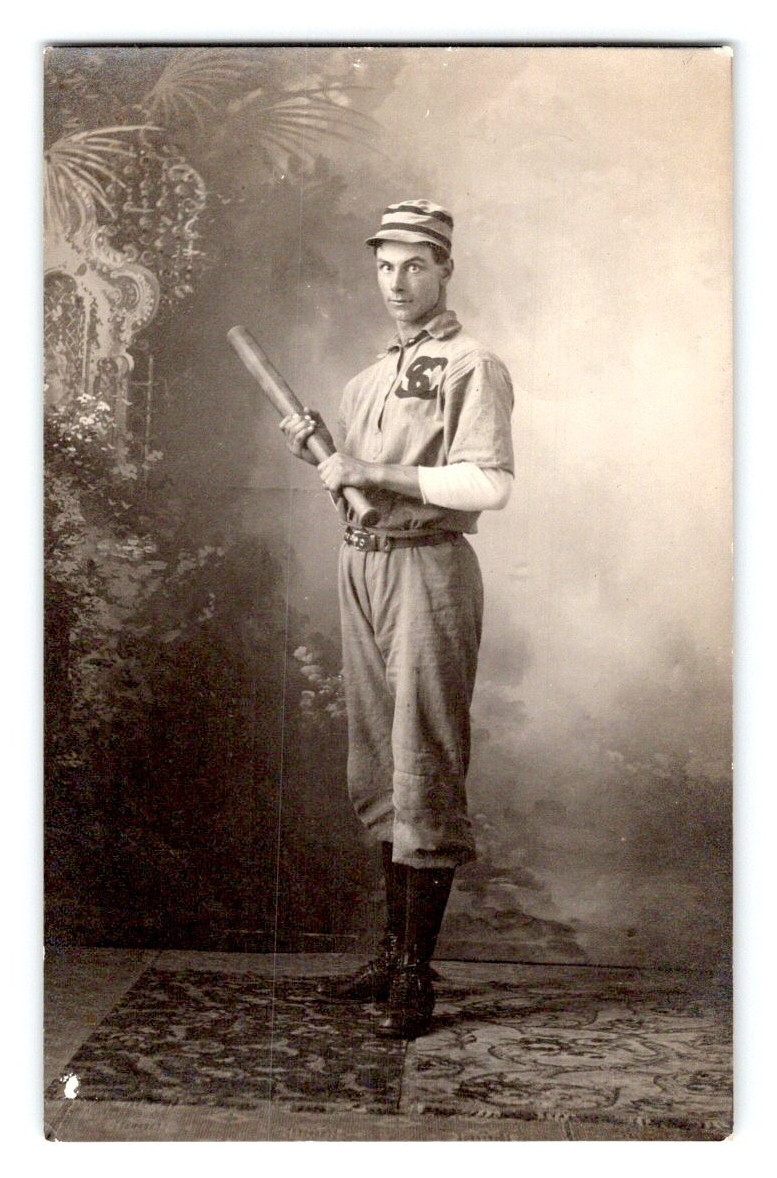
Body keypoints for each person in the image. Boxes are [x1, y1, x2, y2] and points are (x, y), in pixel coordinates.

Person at [280, 199, 514, 1038]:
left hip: (429, 571)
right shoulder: (366, 379)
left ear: (445, 268)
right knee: (376, 763)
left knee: (424, 760)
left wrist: (368, 466)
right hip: (363, 567)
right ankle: (389, 951)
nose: (396, 282)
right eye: (384, 265)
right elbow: (356, 492)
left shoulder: (471, 364)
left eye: (414, 265)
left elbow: (487, 484)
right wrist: (319, 451)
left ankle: (418, 971)